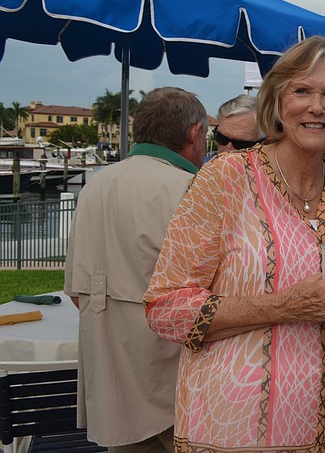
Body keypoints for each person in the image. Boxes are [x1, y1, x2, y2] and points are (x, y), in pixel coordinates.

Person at [143, 37, 325, 453]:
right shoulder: (225, 178)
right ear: (277, 101)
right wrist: (284, 306)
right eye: (302, 90)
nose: (317, 106)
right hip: (234, 430)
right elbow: (166, 309)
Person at [64, 87, 208, 452]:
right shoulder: (193, 189)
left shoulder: (95, 186)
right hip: (176, 386)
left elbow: (77, 293)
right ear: (195, 133)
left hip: (113, 384)